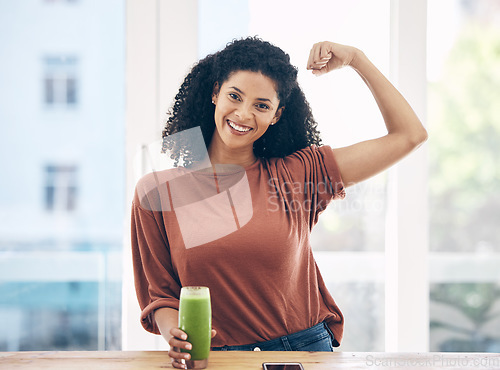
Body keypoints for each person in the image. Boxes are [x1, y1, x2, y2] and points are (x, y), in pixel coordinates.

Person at [131, 37, 427, 369]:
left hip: (301, 353)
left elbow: (409, 135)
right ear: (215, 93)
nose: (243, 114)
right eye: (234, 96)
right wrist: (179, 338)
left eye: (261, 105)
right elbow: (161, 295)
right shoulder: (157, 192)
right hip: (212, 360)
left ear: (276, 114)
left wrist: (357, 59)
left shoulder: (299, 174)